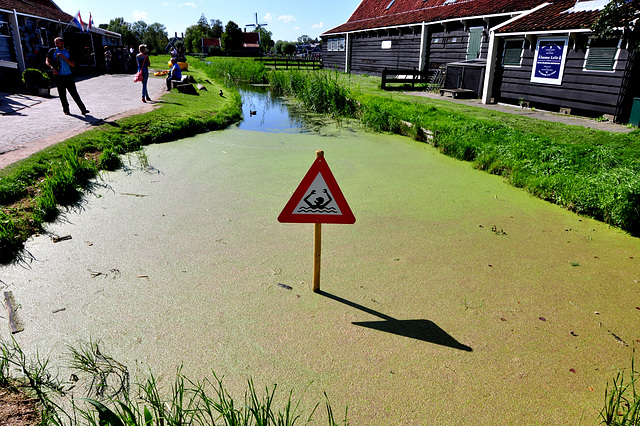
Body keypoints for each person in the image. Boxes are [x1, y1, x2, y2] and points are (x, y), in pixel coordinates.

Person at [45, 37, 89, 116]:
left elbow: (72, 64)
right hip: (59, 76)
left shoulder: (67, 52)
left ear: (62, 43)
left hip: (68, 75)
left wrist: (64, 58)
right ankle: (66, 110)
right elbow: (47, 61)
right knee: (62, 94)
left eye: (58, 43)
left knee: (74, 93)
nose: (56, 44)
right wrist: (52, 68)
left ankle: (83, 109)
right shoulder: (52, 51)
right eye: (55, 43)